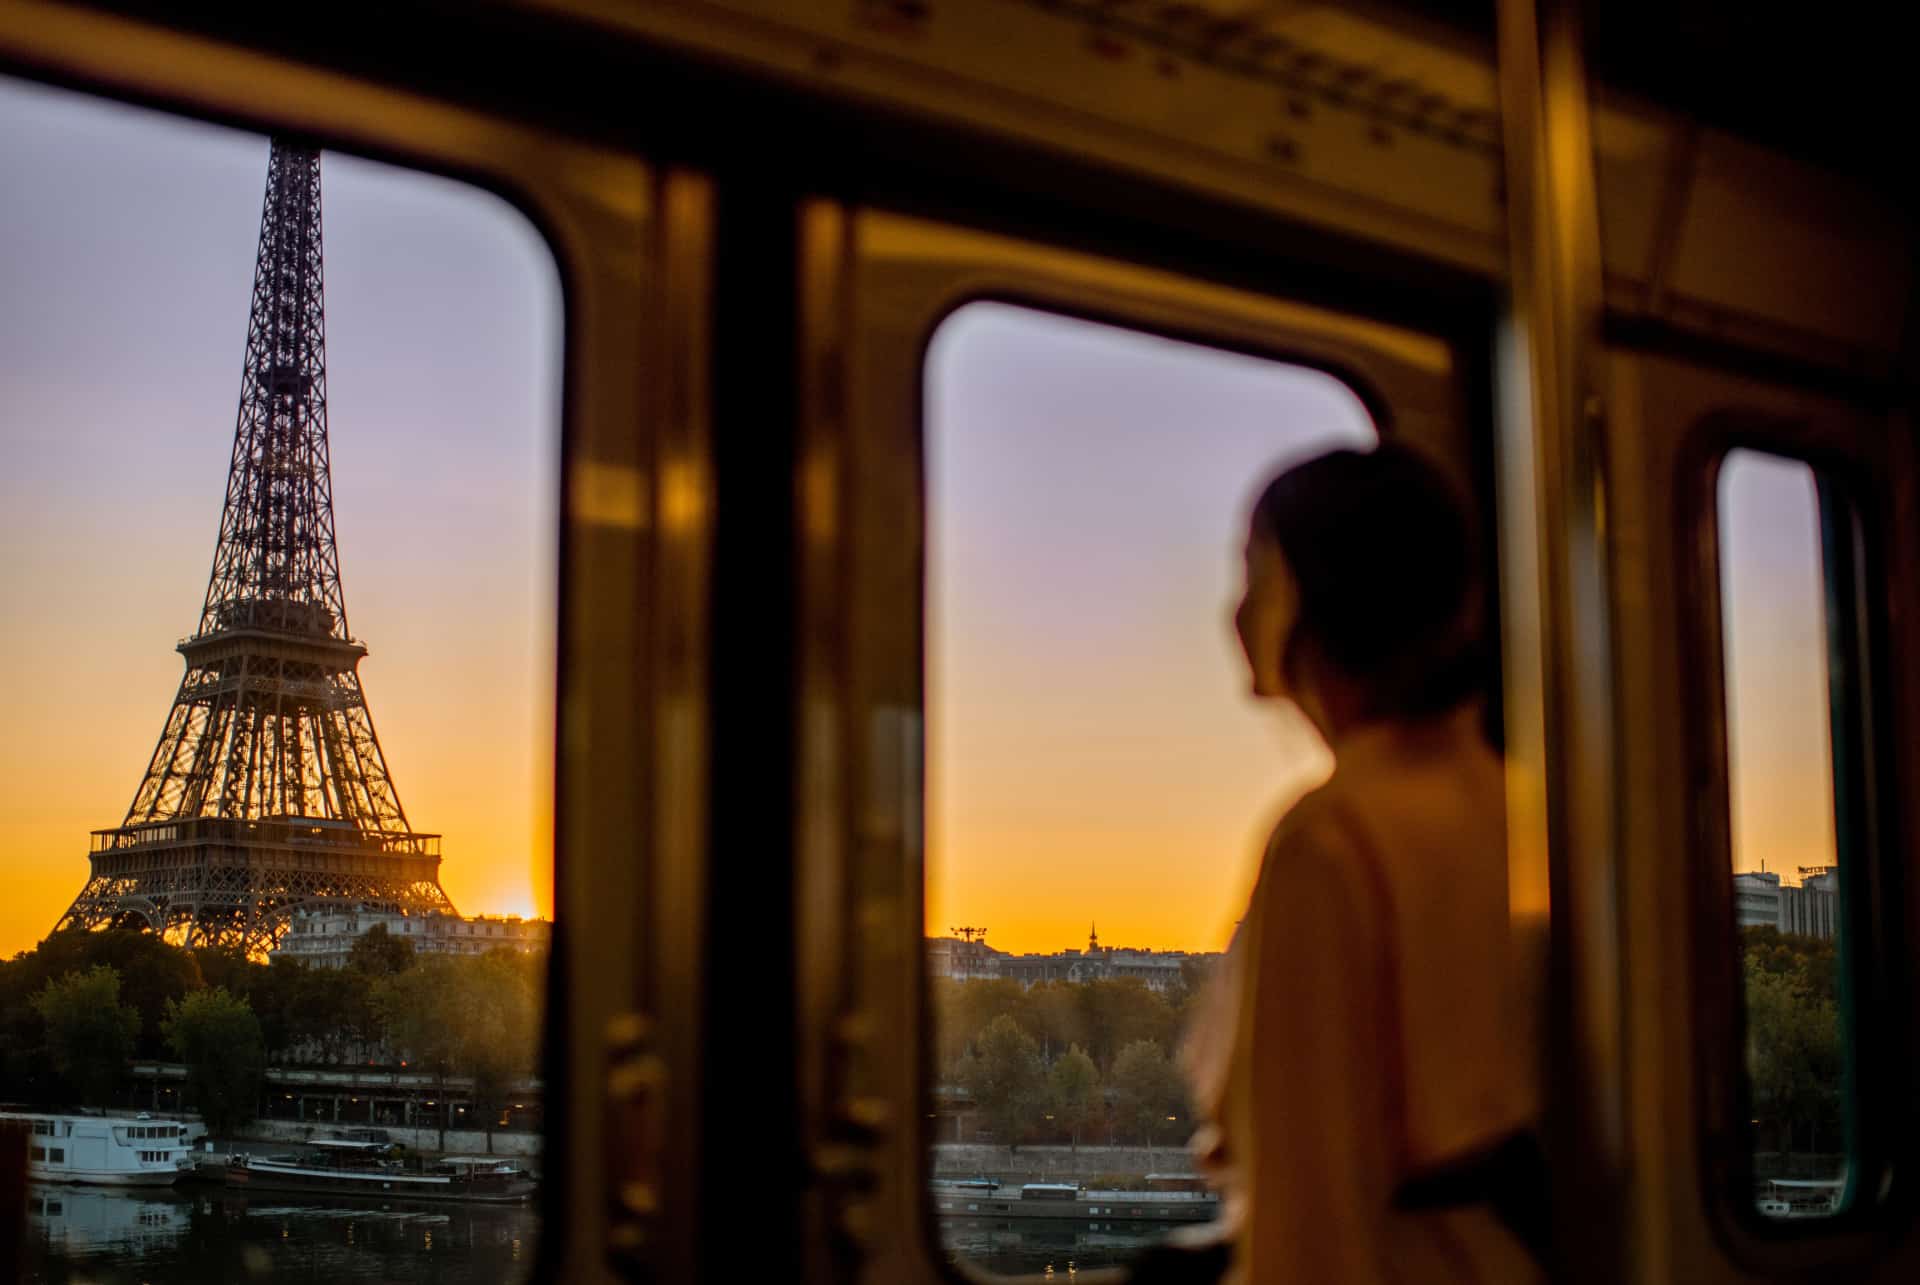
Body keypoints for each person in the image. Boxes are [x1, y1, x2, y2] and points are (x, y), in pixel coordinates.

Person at [1177, 442, 1545, 1284]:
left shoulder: (1329, 840)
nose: (1235, 612)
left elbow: (1308, 1222)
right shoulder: (1506, 804)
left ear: (1307, 597)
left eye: (1253, 573)